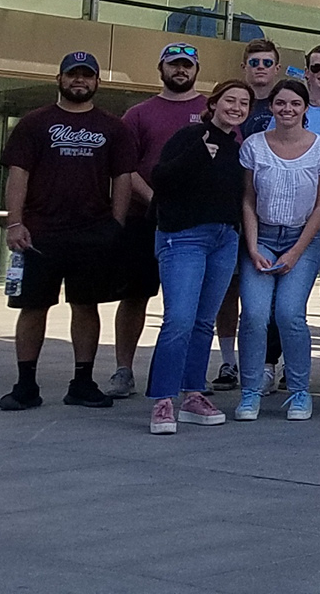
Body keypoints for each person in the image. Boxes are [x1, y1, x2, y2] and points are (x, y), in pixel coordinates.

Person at [0, 51, 134, 413]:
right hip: (39, 233)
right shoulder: (34, 123)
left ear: (97, 82)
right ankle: (25, 385)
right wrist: (14, 222)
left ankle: (82, 383)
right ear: (59, 79)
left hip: (93, 233)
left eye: (86, 75)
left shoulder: (112, 127)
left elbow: (122, 177)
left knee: (86, 306)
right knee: (32, 307)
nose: (79, 80)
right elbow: (18, 174)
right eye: (73, 74)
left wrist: (116, 224)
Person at [145, 79, 253, 434]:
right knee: (179, 319)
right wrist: (198, 152)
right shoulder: (191, 136)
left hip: (224, 239)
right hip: (184, 238)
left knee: (205, 321)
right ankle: (163, 400)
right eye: (230, 100)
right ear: (214, 104)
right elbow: (161, 178)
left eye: (244, 103)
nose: (236, 108)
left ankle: (193, 394)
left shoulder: (237, 148)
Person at [109, 42, 209, 400]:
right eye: (173, 64)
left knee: (188, 305)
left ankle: (187, 375)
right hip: (145, 220)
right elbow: (125, 166)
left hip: (195, 224)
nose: (180, 70)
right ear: (161, 68)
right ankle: (123, 370)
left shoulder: (211, 110)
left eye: (186, 65)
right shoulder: (138, 114)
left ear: (196, 70)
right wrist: (155, 200)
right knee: (134, 296)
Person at [238, 78, 320, 422]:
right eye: (280, 103)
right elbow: (248, 199)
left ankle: (298, 391)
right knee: (254, 314)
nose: (287, 109)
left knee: (289, 313)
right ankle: (250, 391)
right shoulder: (254, 145)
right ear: (271, 107)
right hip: (262, 236)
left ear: (305, 108)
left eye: (295, 104)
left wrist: (296, 252)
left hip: (303, 239)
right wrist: (253, 246)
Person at [220, 38, 280, 389]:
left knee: (267, 297)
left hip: (272, 213)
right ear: (244, 66)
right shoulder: (233, 102)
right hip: (231, 208)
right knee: (227, 289)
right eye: (254, 62)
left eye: (266, 62)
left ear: (276, 67)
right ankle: (229, 362)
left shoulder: (283, 104)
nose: (260, 67)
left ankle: (268, 363)